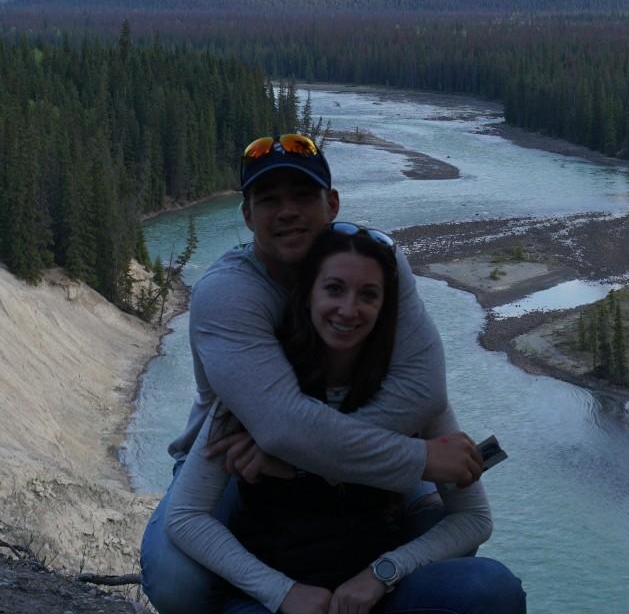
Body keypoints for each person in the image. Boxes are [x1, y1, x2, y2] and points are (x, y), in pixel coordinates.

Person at [141, 134, 484, 614]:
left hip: (315, 448)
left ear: (333, 204)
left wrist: (301, 462)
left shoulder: (376, 263)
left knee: (460, 558)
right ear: (246, 216)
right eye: (269, 200)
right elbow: (280, 426)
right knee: (178, 582)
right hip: (238, 464)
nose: (287, 212)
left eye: (303, 196)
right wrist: (416, 460)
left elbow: (422, 390)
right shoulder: (228, 293)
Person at [165, 224, 525, 614]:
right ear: (307, 296)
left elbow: (473, 518)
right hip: (274, 599)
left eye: (368, 295)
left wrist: (382, 574)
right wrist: (280, 592)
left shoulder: (410, 395)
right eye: (334, 289)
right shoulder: (260, 391)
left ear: (386, 307)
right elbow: (186, 517)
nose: (349, 309)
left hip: (373, 594)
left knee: (492, 588)